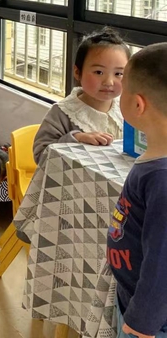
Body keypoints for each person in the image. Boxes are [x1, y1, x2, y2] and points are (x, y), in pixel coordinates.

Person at [107, 43, 167, 338]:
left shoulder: (162, 178)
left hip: (152, 322)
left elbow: (163, 260)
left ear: (138, 105)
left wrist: (144, 318)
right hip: (135, 297)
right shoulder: (155, 163)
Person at [33, 29, 131, 165]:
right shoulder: (63, 112)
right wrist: (76, 138)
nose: (109, 82)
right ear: (77, 72)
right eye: (99, 72)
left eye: (119, 74)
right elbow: (40, 156)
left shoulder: (127, 107)